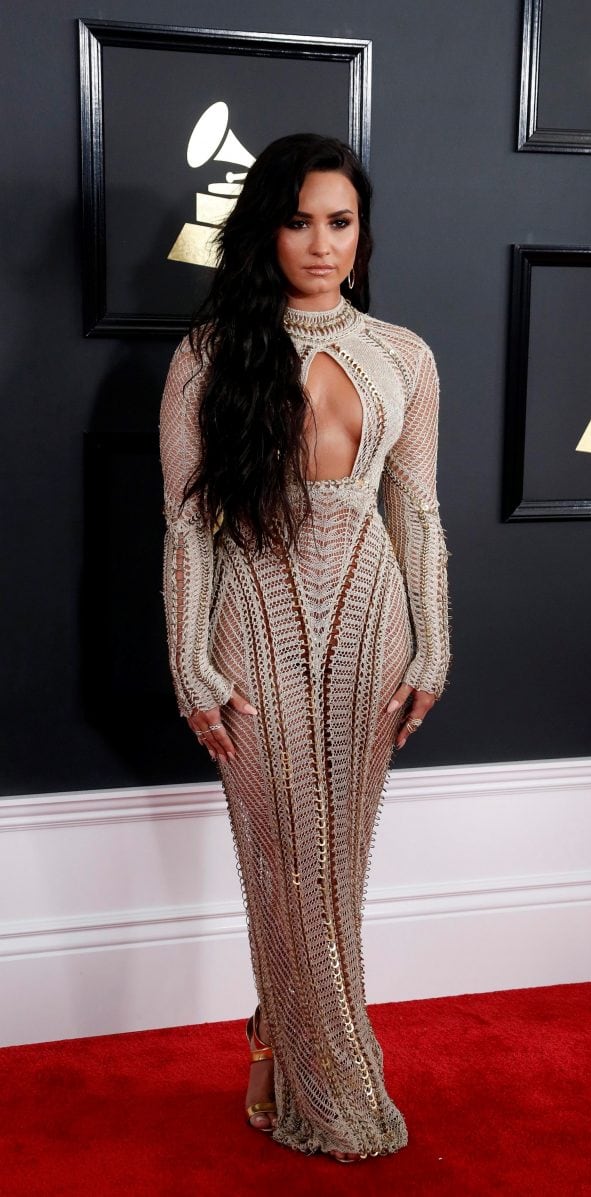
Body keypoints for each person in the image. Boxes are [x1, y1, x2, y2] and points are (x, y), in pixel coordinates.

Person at [159, 133, 451, 1163]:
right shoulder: (208, 354)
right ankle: (337, 1085)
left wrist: (435, 645)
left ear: (363, 232)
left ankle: (275, 1041)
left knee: (340, 865)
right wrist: (190, 662)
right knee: (285, 857)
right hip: (252, 624)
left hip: (373, 624)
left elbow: (414, 511)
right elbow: (187, 526)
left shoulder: (404, 354)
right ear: (266, 230)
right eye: (298, 221)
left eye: (340, 221)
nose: (320, 243)